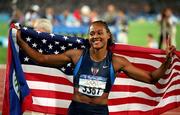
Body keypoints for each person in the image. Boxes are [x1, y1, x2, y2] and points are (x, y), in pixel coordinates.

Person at [16, 20, 175, 115]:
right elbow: (42, 59)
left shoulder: (117, 62)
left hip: (99, 112)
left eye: (100, 33)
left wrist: (167, 61)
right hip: (76, 110)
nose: (95, 36)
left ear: (108, 35)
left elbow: (151, 78)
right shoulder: (76, 55)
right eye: (92, 33)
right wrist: (21, 43)